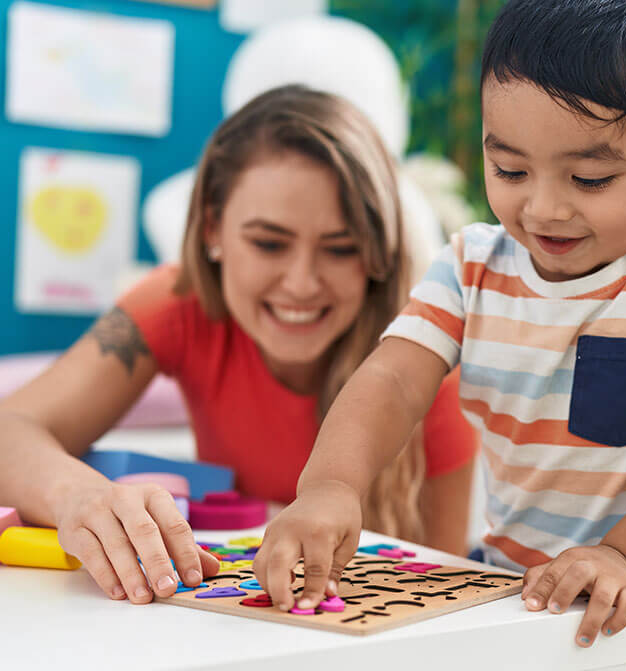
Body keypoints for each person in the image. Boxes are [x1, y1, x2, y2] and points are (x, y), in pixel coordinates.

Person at [255, 3, 626, 669]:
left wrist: (625, 557)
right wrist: (329, 484)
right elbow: (392, 378)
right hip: (513, 588)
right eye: (511, 170)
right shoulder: (471, 263)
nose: (544, 208)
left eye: (590, 178)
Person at [0, 85, 477, 606]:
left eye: (341, 249)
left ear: (378, 256)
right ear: (213, 228)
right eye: (269, 243)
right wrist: (79, 495)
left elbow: (445, 591)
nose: (300, 282)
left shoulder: (425, 366)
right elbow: (11, 429)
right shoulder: (177, 302)